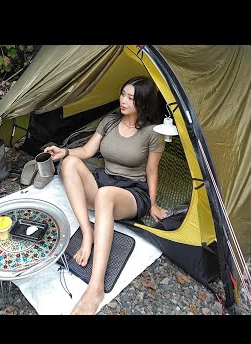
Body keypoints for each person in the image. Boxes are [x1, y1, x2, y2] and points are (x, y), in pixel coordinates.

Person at [44, 76, 169, 315]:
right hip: (105, 183)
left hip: (132, 193)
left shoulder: (153, 133)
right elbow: (87, 151)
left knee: (104, 196)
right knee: (70, 163)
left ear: (143, 103)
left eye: (131, 98)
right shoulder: (109, 121)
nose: (123, 101)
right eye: (123, 94)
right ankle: (87, 232)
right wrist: (64, 151)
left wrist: (153, 204)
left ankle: (96, 286)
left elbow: (152, 171)